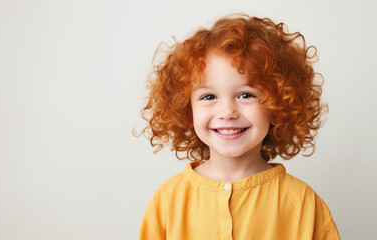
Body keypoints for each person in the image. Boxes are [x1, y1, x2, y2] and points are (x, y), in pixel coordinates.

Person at [136, 13, 340, 240]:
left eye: (245, 94)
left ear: (277, 106)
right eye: (209, 96)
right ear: (186, 110)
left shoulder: (303, 204)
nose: (227, 113)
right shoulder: (167, 201)